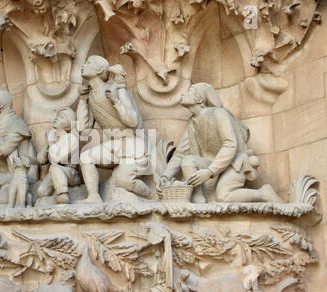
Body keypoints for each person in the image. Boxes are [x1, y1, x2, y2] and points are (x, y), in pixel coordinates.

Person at [159, 82, 284, 203]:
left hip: (234, 163)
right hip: (210, 164)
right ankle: (198, 198)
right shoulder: (192, 122)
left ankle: (263, 193)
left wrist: (210, 171)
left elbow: (230, 145)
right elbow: (181, 154)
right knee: (188, 160)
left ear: (199, 99)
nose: (183, 94)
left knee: (223, 196)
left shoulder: (219, 113)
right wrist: (166, 176)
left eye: (189, 91)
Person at [77, 56, 151, 203]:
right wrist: (82, 101)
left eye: (89, 62)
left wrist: (116, 100)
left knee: (123, 182)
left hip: (132, 143)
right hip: (116, 144)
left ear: (99, 70)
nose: (83, 65)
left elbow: (133, 121)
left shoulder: (115, 88)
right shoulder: (91, 95)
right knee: (86, 157)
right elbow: (83, 129)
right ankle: (93, 197)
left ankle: (151, 195)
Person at [37, 108, 81, 204]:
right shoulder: (54, 139)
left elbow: (57, 159)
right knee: (41, 192)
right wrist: (47, 144)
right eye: (57, 116)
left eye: (62, 117)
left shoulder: (72, 139)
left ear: (68, 126)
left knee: (54, 167)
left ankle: (63, 194)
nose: (57, 118)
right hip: (55, 172)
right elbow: (40, 160)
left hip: (70, 173)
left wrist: (51, 143)